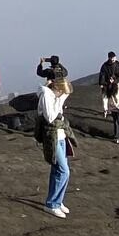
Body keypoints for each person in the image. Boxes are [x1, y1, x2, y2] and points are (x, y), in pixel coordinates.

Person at [37, 74, 76, 218]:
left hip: (60, 135)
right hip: (52, 136)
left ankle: (58, 201)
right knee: (63, 171)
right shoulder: (47, 96)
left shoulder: (54, 97)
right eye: (63, 93)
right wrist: (60, 100)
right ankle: (52, 204)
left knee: (57, 170)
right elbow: (50, 117)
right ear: (58, 89)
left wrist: (60, 99)